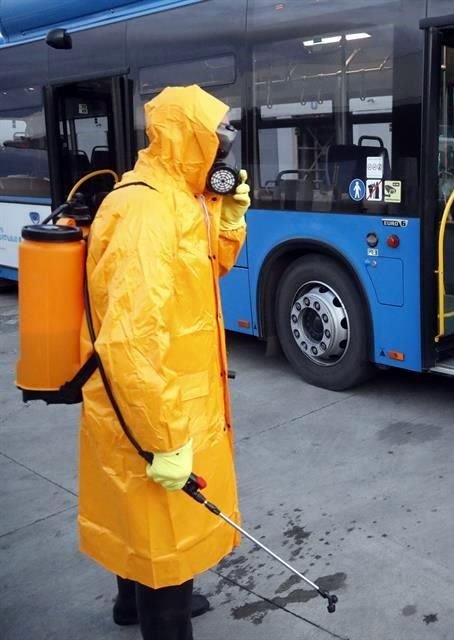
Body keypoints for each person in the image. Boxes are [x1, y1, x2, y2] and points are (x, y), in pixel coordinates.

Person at [78, 85, 250, 638]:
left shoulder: (179, 196)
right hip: (153, 404)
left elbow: (207, 266)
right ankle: (161, 621)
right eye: (219, 137)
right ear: (189, 138)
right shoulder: (147, 209)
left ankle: (129, 605)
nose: (226, 147)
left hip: (169, 394)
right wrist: (163, 438)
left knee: (141, 516)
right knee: (159, 525)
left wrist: (228, 214)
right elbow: (130, 339)